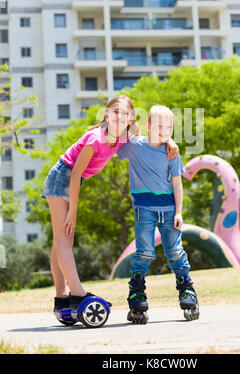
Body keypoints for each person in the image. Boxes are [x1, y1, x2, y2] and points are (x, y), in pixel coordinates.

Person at [41, 95, 178, 313]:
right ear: (106, 114)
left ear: (131, 120)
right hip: (62, 179)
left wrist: (169, 141)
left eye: (125, 114)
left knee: (59, 241)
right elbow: (74, 175)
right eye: (115, 112)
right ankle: (77, 294)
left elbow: (147, 143)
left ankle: (61, 298)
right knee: (65, 237)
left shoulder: (124, 137)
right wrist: (73, 212)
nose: (119, 117)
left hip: (71, 181)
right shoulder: (95, 138)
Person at [116, 104, 199, 323]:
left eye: (169, 127)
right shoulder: (135, 146)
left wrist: (179, 212)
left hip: (169, 209)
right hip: (144, 209)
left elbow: (177, 184)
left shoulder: (171, 151)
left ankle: (187, 289)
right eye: (160, 126)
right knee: (143, 252)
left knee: (175, 252)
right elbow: (115, 146)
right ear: (149, 125)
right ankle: (137, 292)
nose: (164, 130)